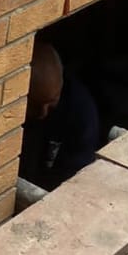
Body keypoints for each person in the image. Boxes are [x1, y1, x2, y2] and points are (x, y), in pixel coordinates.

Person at [19, 39, 101, 189]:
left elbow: (77, 174)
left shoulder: (80, 111)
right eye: (34, 104)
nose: (43, 113)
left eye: (51, 102)